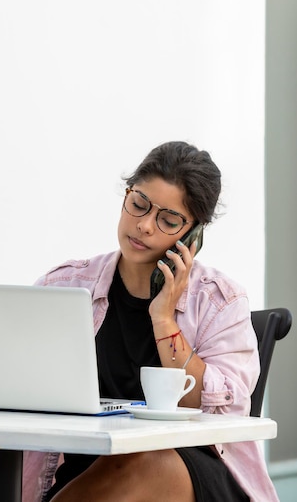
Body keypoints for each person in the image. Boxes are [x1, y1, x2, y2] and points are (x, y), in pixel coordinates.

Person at [22, 141, 279, 502]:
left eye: (168, 220)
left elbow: (219, 416)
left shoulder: (220, 302)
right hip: (86, 473)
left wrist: (163, 317)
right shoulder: (63, 287)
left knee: (143, 459)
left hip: (188, 471)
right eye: (139, 204)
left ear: (193, 234)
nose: (143, 226)